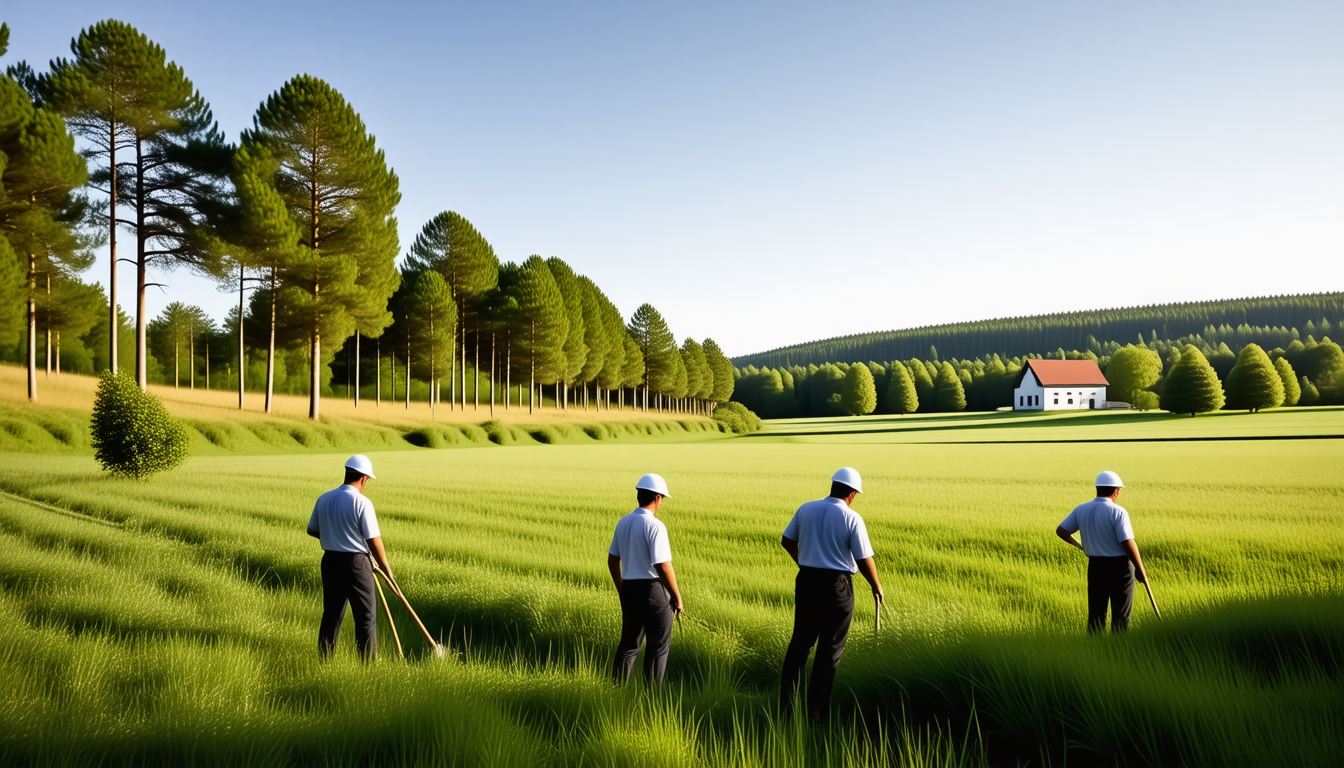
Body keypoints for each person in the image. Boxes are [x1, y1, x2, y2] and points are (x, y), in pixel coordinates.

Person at [779, 467, 884, 721]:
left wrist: (803, 562)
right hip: (838, 587)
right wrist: (876, 585)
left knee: (799, 647)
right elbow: (862, 558)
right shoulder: (851, 518)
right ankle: (816, 718)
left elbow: (786, 540)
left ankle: (786, 712)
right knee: (830, 652)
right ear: (852, 494)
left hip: (806, 582)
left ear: (833, 486)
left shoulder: (806, 508)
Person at [307, 454, 396, 660]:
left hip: (330, 562)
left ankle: (324, 662)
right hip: (356, 564)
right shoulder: (362, 503)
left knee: (331, 616)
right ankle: (367, 668)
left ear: (347, 473)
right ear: (364, 478)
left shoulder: (324, 498)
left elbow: (312, 529)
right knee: (365, 618)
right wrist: (387, 571)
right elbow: (374, 541)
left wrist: (333, 534)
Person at [608, 473, 684, 685]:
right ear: (658, 498)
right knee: (658, 647)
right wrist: (676, 596)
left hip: (630, 589)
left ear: (639, 495)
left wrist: (622, 588)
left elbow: (613, 560)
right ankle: (651, 699)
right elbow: (663, 565)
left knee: (629, 646)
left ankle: (615, 693)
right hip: (653, 591)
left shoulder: (623, 522)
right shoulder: (656, 526)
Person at [1055, 470, 1150, 633]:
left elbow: (1061, 530)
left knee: (1096, 617)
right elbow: (1127, 542)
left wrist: (1081, 546)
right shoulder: (1119, 512)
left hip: (1096, 567)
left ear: (1097, 489)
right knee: (1121, 618)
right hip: (1121, 569)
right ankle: (1117, 652)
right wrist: (1141, 571)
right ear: (1116, 491)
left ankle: (1095, 652)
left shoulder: (1081, 509)